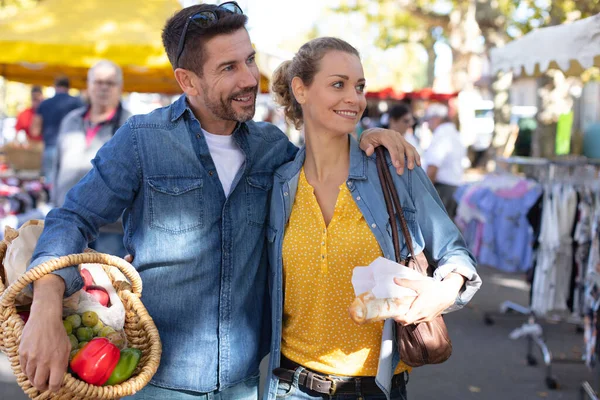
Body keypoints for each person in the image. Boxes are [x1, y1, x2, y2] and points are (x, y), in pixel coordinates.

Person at [18, 3, 420, 399]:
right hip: (154, 381)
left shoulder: (273, 148)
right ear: (187, 81)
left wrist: (367, 139)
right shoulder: (142, 140)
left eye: (250, 60)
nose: (249, 78)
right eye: (228, 68)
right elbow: (72, 217)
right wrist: (46, 306)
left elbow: (328, 159)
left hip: (245, 382)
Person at [265, 37, 481, 400]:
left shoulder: (396, 169)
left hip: (376, 389)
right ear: (300, 89)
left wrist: (441, 294)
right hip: (290, 387)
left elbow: (457, 255)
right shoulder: (279, 183)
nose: (355, 98)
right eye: (339, 84)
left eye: (359, 86)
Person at [51, 60, 131, 257]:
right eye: (98, 82)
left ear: (120, 88)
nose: (103, 88)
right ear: (88, 85)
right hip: (68, 224)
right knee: (67, 283)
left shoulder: (131, 125)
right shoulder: (71, 119)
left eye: (110, 83)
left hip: (111, 229)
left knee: (104, 285)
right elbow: (56, 164)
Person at [31, 76, 84, 183]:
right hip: (73, 149)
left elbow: (35, 130)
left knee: (51, 183)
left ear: (55, 86)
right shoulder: (78, 103)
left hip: (51, 146)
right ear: (69, 87)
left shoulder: (44, 104)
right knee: (71, 183)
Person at [422, 103, 465, 219]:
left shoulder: (441, 134)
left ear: (436, 119)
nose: (428, 125)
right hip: (454, 187)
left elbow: (433, 167)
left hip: (443, 189)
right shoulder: (454, 133)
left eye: (429, 120)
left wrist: (423, 192)